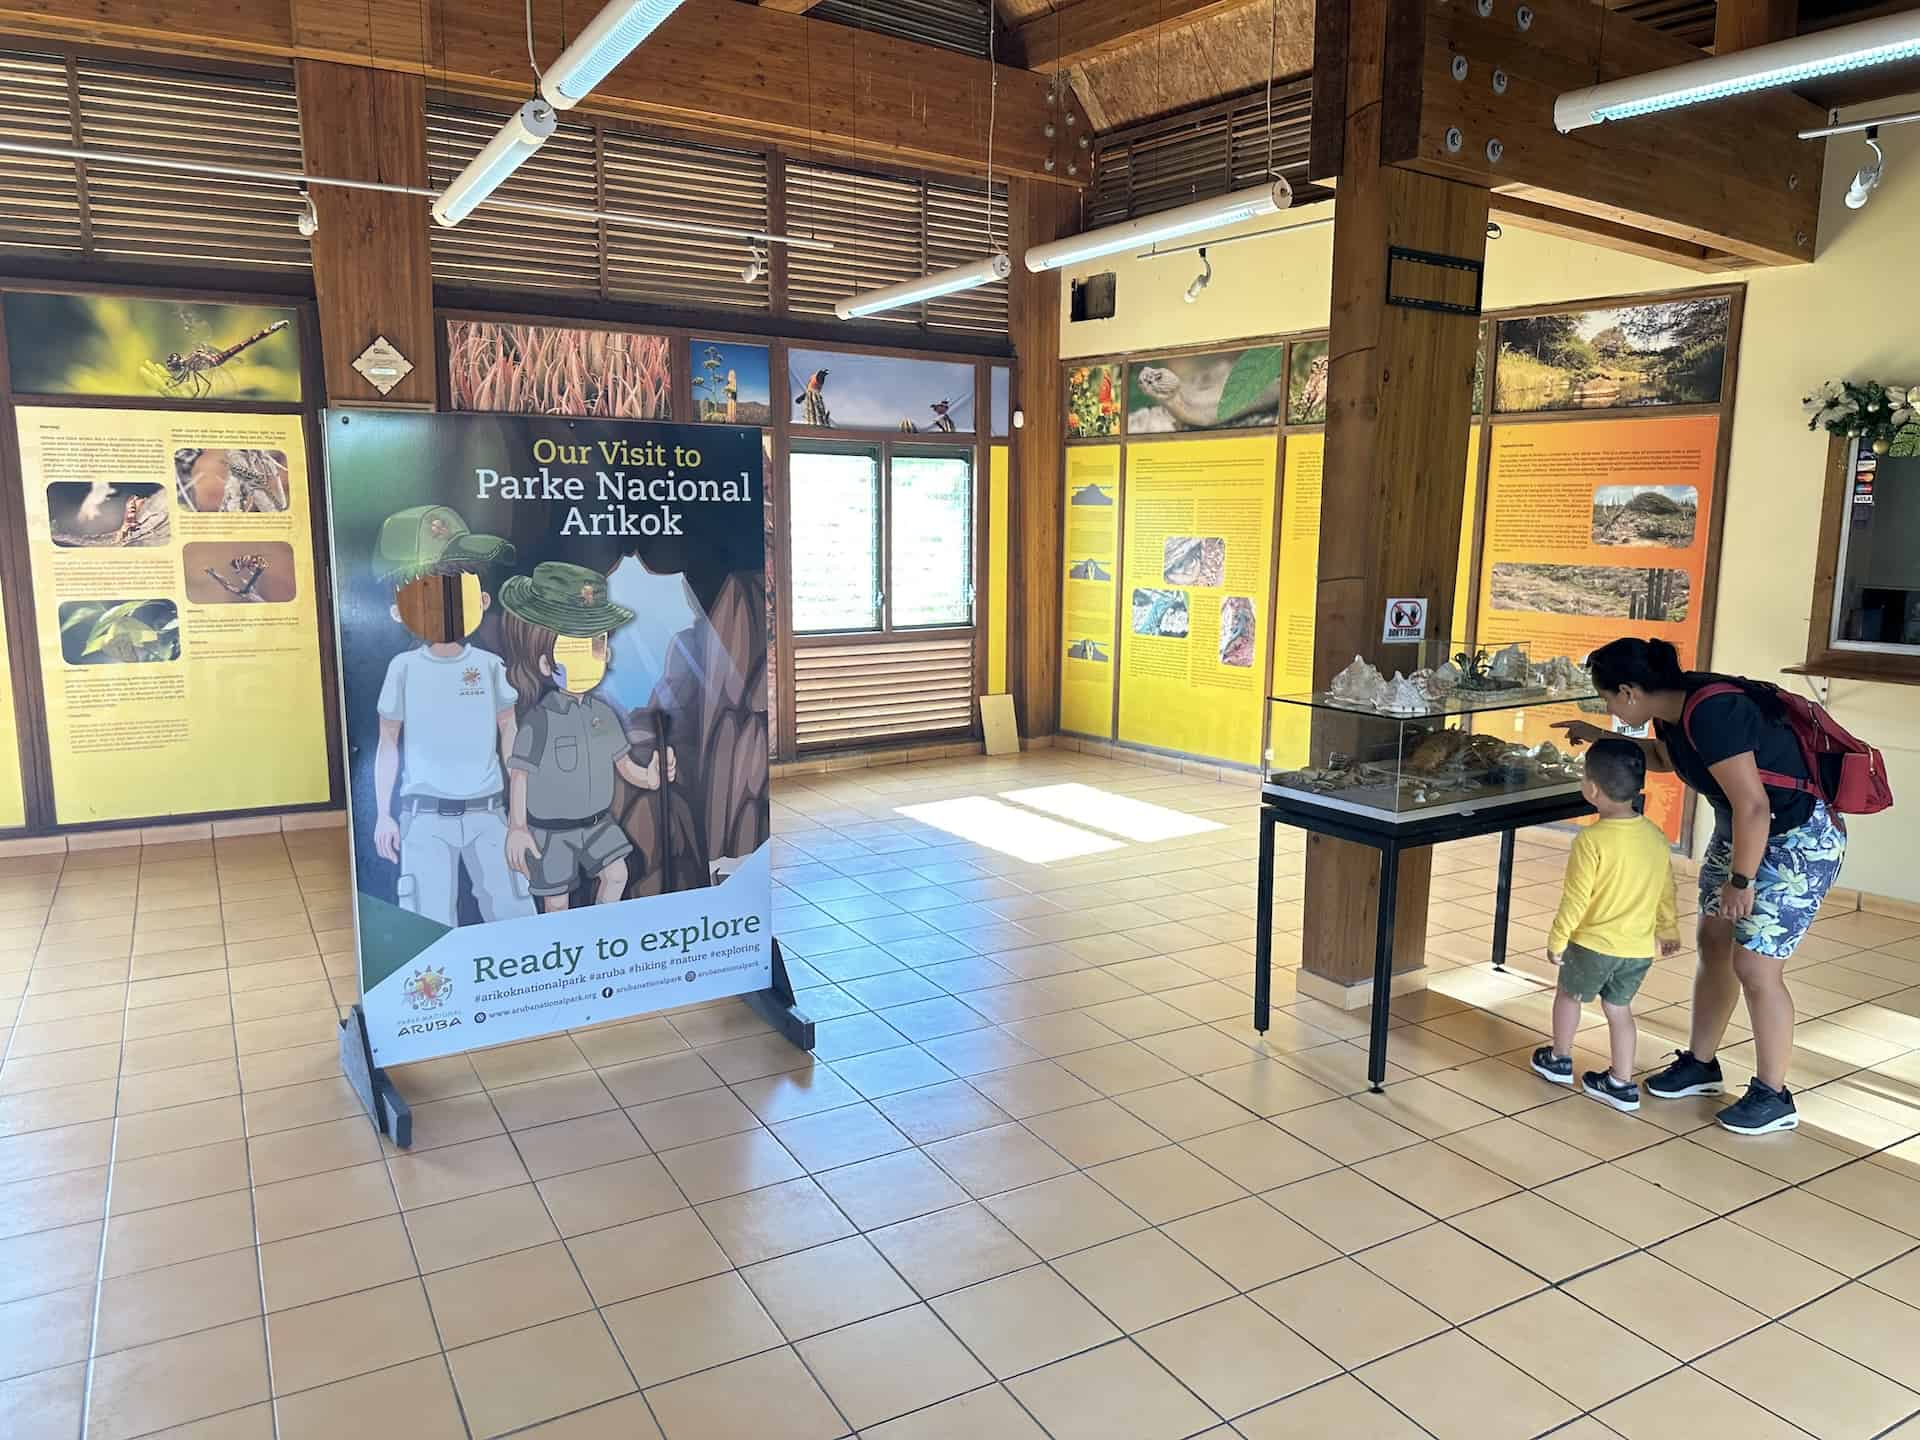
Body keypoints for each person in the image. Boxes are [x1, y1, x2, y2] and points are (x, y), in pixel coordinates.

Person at [1554, 637, 1847, 1135]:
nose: (1607, 706)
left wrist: (1742, 881)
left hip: (1796, 840)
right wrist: (1597, 733)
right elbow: (1667, 760)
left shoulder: (1714, 713)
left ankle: (1774, 1095)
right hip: (1742, 831)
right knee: (1714, 942)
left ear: (1628, 691)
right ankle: (1701, 1064)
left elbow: (1755, 804)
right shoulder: (1670, 708)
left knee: (1756, 965)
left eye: (1605, 699)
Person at [370, 506, 534, 928]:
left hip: (488, 815)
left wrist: (517, 821)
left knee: (515, 917)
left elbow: (509, 732)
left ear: (480, 599)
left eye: (462, 587)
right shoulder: (402, 671)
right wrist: (384, 814)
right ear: (399, 607)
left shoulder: (491, 665)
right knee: (428, 927)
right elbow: (388, 742)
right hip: (423, 819)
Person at [498, 561, 673, 912]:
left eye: (597, 643)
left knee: (617, 874)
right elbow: (520, 775)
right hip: (550, 832)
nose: (598, 655)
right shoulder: (539, 720)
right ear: (547, 664)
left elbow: (624, 765)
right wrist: (517, 827)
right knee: (556, 901)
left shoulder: (603, 715)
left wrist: (651, 778)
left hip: (597, 824)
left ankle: (601, 929)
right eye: (576, 647)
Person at [1531, 739, 1682, 1112]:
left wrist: (1558, 939)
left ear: (1592, 789)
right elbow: (1666, 888)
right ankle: (1621, 1082)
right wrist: (1668, 930)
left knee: (1569, 995)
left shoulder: (1591, 841)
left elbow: (1576, 899)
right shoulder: (1655, 837)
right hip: (1636, 950)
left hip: (1593, 944)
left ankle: (1560, 1059)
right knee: (1619, 1010)